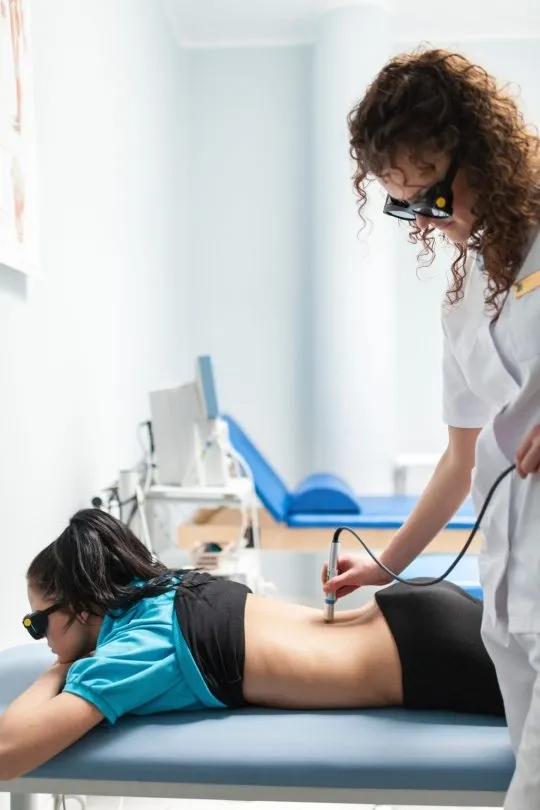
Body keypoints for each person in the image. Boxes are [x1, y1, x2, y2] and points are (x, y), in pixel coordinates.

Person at [322, 48, 540, 809]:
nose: (427, 220)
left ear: (483, 153)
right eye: (405, 205)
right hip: (510, 601)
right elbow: (459, 460)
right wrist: (385, 566)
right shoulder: (465, 296)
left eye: (434, 197)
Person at [0, 508, 502, 781]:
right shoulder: (170, 587)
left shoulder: (136, 651)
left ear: (82, 607)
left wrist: (58, 672)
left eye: (37, 623)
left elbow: (7, 752)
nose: (39, 638)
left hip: (426, 656)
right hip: (414, 612)